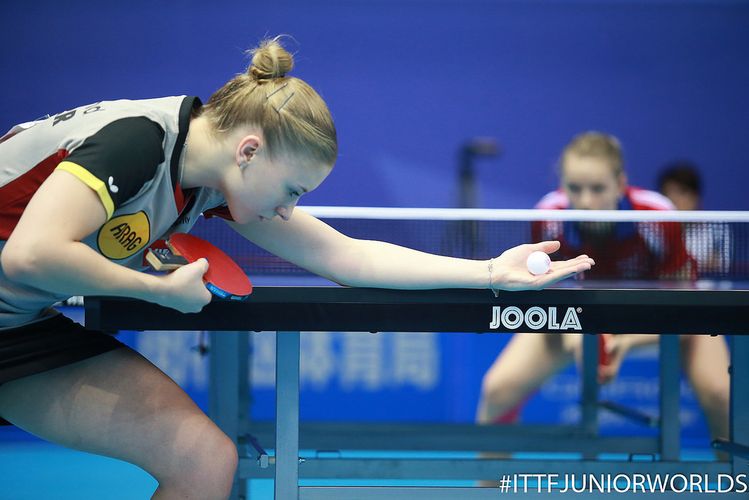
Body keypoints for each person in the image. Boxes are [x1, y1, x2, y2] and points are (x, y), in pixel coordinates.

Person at [0, 37, 593, 499]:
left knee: (205, 462)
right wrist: (154, 293)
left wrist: (491, 271)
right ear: (250, 150)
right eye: (291, 190)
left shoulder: (210, 182)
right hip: (20, 304)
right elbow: (30, 254)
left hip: (18, 327)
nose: (288, 209)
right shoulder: (137, 141)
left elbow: (346, 256)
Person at [476, 132, 729, 458]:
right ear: (561, 186)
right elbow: (546, 301)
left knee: (721, 393)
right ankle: (491, 487)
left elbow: (684, 307)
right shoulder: (549, 218)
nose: (585, 201)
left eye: (597, 189)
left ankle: (734, 481)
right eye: (574, 188)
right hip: (573, 317)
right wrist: (579, 340)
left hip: (658, 312)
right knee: (498, 388)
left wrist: (623, 341)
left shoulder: (656, 216)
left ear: (621, 184)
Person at [657, 161, 731, 277]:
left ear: (695, 196)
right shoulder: (656, 233)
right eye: (667, 193)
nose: (673, 199)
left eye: (681, 192)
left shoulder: (716, 229)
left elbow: (718, 266)